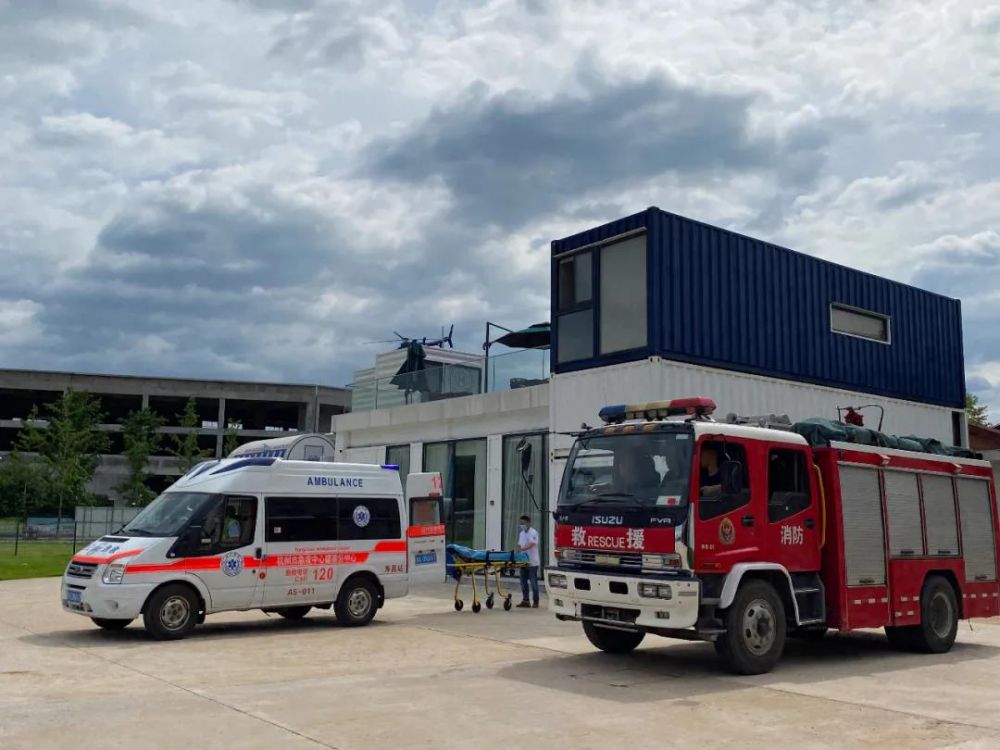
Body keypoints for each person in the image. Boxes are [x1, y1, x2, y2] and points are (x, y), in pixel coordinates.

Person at [516, 514, 540, 608]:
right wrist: (518, 551)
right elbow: (519, 545)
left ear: (528, 523)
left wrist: (523, 549)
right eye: (521, 523)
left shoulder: (533, 532)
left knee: (533, 582)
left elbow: (532, 544)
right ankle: (525, 601)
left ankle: (536, 601)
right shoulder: (521, 534)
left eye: (524, 523)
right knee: (523, 582)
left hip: (532, 562)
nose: (522, 525)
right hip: (523, 561)